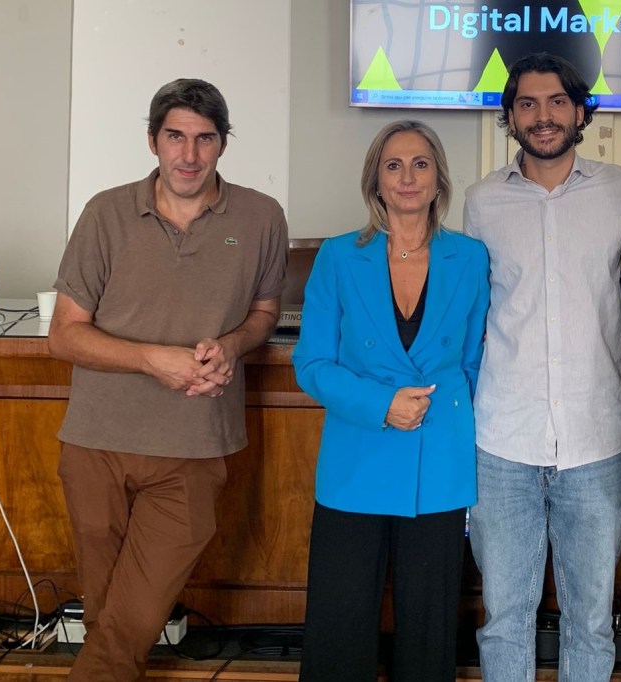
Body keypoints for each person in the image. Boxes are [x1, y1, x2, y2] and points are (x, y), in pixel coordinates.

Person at [48, 78, 288, 680]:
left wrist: (232, 345)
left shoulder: (261, 216)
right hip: (97, 444)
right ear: (152, 140)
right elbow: (64, 336)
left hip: (194, 447)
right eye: (175, 137)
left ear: (223, 143)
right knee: (111, 621)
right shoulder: (105, 212)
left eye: (205, 139)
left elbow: (264, 313)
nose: (189, 154)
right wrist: (153, 359)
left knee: (125, 623)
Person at [463, 53, 621, 681]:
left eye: (556, 102)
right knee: (503, 618)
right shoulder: (482, 201)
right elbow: (471, 307)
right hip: (502, 440)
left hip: (597, 439)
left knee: (591, 621)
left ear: (578, 111)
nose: (542, 116)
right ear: (510, 115)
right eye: (527, 103)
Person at [292, 119, 490, 682]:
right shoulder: (338, 257)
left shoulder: (471, 257)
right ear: (375, 180)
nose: (407, 177)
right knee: (340, 620)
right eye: (393, 165)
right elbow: (311, 362)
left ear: (438, 179)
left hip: (439, 458)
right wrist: (382, 405)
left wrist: (446, 420)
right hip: (357, 453)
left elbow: (473, 361)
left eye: (420, 164)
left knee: (429, 626)